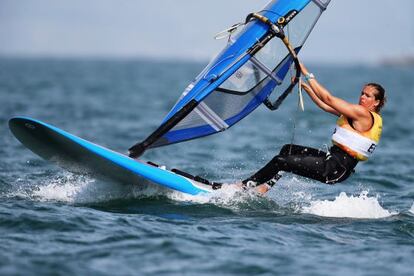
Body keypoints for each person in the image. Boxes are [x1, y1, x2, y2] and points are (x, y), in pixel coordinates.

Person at [243, 63, 386, 194]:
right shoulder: (357, 115)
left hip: (334, 169)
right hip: (333, 160)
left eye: (368, 96)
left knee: (280, 161)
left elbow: (328, 98)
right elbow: (324, 105)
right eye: (362, 93)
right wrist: (305, 86)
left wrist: (305, 72)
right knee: (288, 150)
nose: (362, 97)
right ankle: (265, 187)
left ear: (376, 102)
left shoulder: (363, 114)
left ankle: (243, 187)